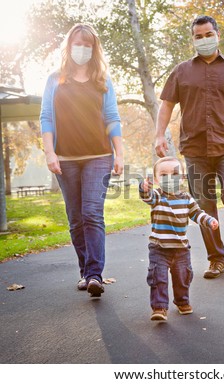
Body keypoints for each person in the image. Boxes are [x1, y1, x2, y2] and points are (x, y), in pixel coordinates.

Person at [155, 15, 224, 281]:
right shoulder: (182, 71)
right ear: (192, 39)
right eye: (198, 36)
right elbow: (167, 104)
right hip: (194, 149)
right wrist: (159, 134)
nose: (203, 40)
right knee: (204, 205)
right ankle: (216, 259)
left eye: (207, 34)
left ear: (217, 35)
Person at [40, 23, 124, 298]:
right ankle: (85, 272)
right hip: (65, 158)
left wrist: (119, 153)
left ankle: (94, 274)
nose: (83, 49)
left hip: (99, 156)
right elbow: (46, 119)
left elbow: (112, 117)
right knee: (75, 218)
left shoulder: (102, 80)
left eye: (88, 45)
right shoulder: (54, 79)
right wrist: (50, 152)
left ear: (94, 49)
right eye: (78, 44)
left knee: (91, 213)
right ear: (69, 46)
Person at [139, 156, 218, 321]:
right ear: (156, 179)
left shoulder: (186, 198)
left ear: (182, 177)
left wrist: (209, 220)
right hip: (159, 247)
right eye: (163, 175)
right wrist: (144, 188)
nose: (169, 178)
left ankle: (182, 302)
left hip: (181, 248)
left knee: (183, 277)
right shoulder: (157, 196)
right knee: (158, 278)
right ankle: (159, 307)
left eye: (174, 173)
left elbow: (197, 213)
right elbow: (147, 196)